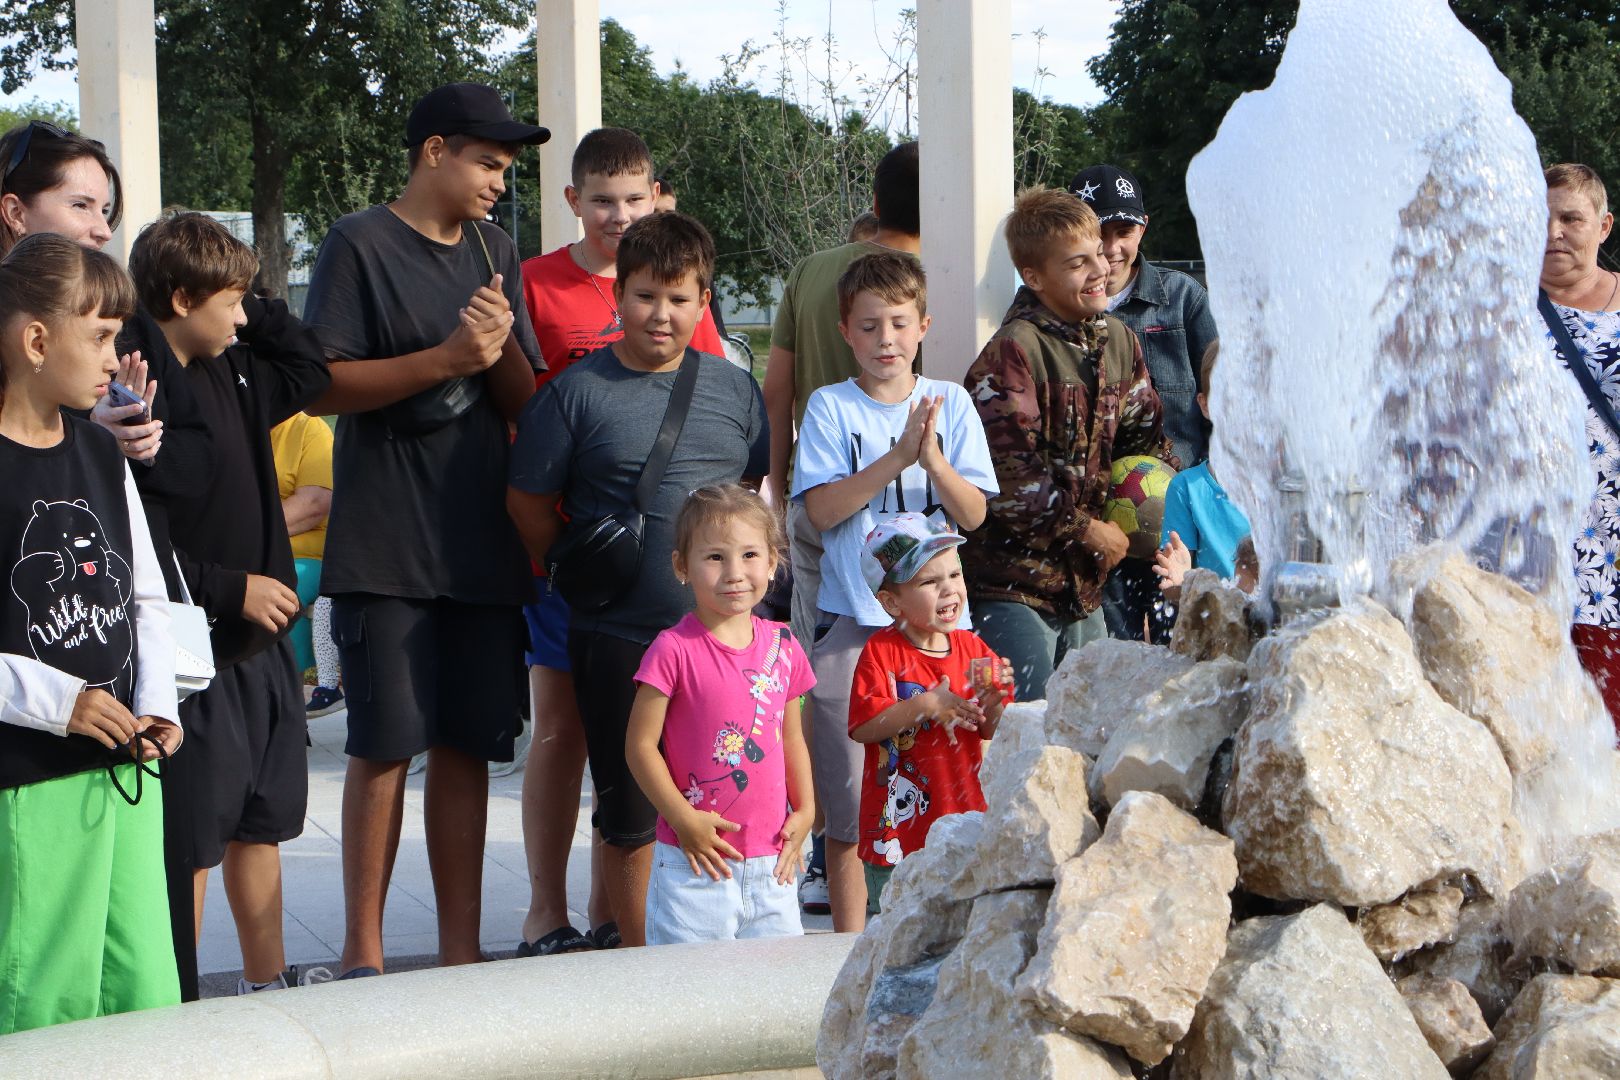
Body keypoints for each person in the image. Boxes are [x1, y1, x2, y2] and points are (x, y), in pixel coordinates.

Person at [301, 82, 547, 976]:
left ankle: (457, 953)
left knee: (469, 745)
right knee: (382, 743)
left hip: (479, 538)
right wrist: (445, 358)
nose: (497, 181)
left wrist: (501, 345)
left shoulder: (495, 248)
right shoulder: (357, 242)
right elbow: (322, 382)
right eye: (487, 162)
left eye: (506, 168)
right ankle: (362, 958)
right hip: (386, 540)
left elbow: (522, 402)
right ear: (433, 150)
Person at [508, 210, 769, 949]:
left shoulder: (736, 391)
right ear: (618, 295)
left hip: (723, 644)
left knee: (725, 790)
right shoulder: (573, 394)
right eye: (647, 295)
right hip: (616, 633)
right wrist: (574, 567)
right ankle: (632, 961)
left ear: (704, 302)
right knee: (627, 809)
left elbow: (744, 492)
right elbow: (526, 501)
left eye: (681, 298)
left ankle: (709, 952)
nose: (663, 314)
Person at [0, 118, 212, 1000]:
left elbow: (146, 598)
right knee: (41, 998)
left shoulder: (99, 451)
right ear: (37, 341)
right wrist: (63, 701)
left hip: (127, 771)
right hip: (26, 783)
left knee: (142, 993)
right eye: (99, 339)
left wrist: (156, 706)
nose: (115, 360)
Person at [123, 212, 330, 995]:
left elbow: (310, 369)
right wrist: (229, 587)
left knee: (261, 821)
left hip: (260, 647)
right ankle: (177, 994)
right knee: (193, 839)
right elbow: (139, 535)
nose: (246, 316)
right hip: (189, 656)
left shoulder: (236, 365)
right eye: (232, 299)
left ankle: (265, 984)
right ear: (180, 297)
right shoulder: (135, 389)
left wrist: (254, 286)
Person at [790, 252, 995, 931]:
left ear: (924, 327)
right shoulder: (829, 407)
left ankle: (947, 933)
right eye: (870, 326)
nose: (886, 340)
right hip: (855, 623)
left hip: (941, 633)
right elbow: (821, 512)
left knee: (951, 787)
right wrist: (896, 459)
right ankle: (848, 948)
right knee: (850, 798)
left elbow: (973, 514)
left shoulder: (952, 403)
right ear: (845, 331)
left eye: (899, 324)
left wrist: (931, 458)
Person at [762, 140, 920, 915]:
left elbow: (777, 386)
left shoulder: (811, 270)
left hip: (819, 523)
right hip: (883, 541)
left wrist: (782, 488)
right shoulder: (934, 274)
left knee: (829, 693)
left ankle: (834, 860)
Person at [961, 186, 1178, 701]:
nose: (1100, 269)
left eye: (1099, 254)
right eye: (1077, 264)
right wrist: (1089, 532)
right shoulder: (1012, 353)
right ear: (1034, 277)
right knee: (1023, 735)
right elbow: (1009, 483)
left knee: (1087, 733)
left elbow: (1147, 446)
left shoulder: (1119, 343)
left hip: (1085, 588)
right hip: (1012, 589)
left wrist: (1169, 509)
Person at [624, 485, 815, 944]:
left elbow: (792, 739)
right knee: (690, 1000)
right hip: (696, 865)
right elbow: (639, 746)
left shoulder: (783, 646)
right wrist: (682, 819)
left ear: (772, 562)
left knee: (772, 999)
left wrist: (807, 810)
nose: (734, 573)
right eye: (715, 557)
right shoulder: (673, 650)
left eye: (749, 554)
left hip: (774, 863)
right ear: (681, 567)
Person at [1070, 164, 1217, 645]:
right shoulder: (1059, 311)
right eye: (1097, 232)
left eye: (1123, 231)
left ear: (1144, 227)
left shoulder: (1183, 300)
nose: (1111, 248)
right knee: (1114, 653)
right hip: (1100, 523)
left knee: (1187, 648)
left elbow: (1224, 398)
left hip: (1182, 524)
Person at [848, 514, 1011, 913]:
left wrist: (995, 701)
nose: (949, 589)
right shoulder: (882, 652)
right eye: (929, 581)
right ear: (890, 602)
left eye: (954, 575)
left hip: (964, 822)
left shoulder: (973, 650)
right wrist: (923, 705)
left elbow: (991, 729)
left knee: (961, 928)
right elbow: (864, 727)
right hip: (898, 833)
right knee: (897, 935)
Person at [1539, 162, 1620, 737]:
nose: (1554, 232)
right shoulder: (1498, 313)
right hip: (1533, 563)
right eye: (1541, 219)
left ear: (1604, 226)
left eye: (1571, 218)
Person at [1152, 341, 1256, 601]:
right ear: (1205, 404)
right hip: (1220, 625)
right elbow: (1177, 587)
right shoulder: (1187, 488)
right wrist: (1181, 582)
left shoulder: (1291, 488)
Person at [269, 411, 334, 683]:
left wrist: (248, 533)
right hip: (246, 553)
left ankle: (284, 695)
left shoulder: (310, 429)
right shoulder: (231, 426)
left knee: (278, 591)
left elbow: (314, 504)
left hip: (308, 556)